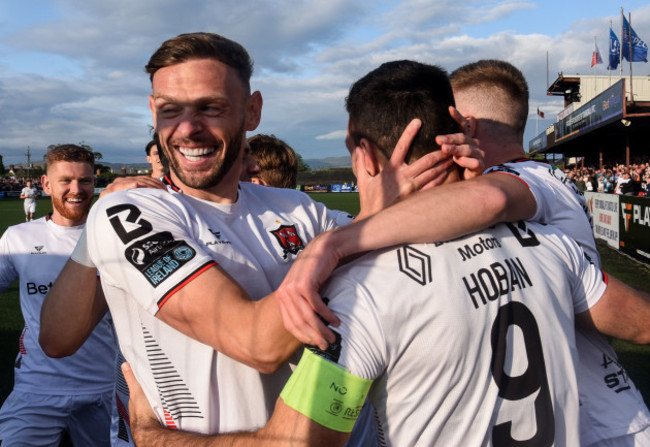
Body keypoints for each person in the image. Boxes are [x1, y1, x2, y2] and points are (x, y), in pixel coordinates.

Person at [121, 59, 646, 446]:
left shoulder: (356, 292)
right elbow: (641, 324)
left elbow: (292, 443)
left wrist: (154, 437)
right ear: (458, 134)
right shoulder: (551, 245)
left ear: (361, 152)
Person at [0, 145, 116, 446]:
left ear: (95, 181)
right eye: (65, 180)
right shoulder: (18, 237)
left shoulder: (117, 237)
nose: (76, 190)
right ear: (46, 184)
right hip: (37, 387)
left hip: (105, 386)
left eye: (85, 181)